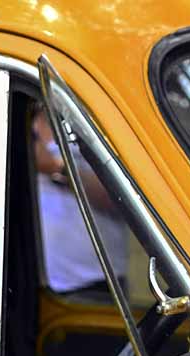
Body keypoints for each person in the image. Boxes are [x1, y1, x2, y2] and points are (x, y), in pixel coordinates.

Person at [33, 107, 128, 297]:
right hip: (37, 286)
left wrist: (58, 168)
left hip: (94, 284)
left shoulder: (101, 119)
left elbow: (119, 199)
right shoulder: (21, 109)